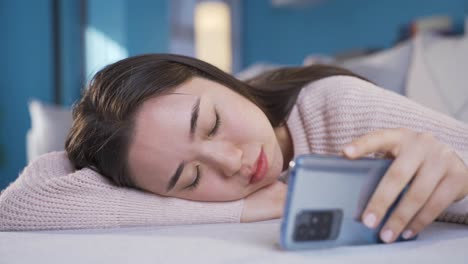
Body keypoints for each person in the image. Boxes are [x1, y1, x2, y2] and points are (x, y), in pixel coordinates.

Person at [1, 54, 467, 244]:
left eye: (213, 124)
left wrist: (458, 177)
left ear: (221, 78)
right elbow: (19, 207)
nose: (234, 164)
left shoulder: (336, 108)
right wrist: (248, 209)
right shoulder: (176, 184)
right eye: (191, 179)